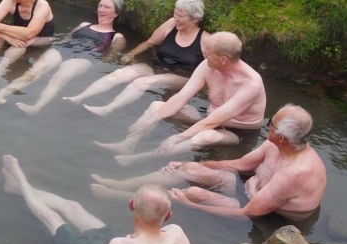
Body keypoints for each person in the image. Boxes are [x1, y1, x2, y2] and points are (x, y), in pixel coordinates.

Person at [2, 155, 209, 244]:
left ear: (130, 205)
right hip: (116, 238)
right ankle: (15, 188)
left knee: (49, 217)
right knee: (73, 207)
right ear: (169, 216)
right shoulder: (177, 234)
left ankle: (20, 179)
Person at [92, 105, 326, 222]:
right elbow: (240, 164)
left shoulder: (295, 172)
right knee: (189, 169)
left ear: (282, 136)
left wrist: (189, 205)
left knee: (193, 193)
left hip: (270, 217)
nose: (268, 125)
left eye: (270, 125)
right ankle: (119, 184)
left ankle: (121, 198)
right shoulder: (275, 145)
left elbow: (248, 213)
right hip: (252, 192)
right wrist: (189, 163)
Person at [96, 32, 266, 166]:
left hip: (238, 133)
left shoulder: (251, 84)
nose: (204, 55)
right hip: (209, 118)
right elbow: (181, 98)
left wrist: (177, 137)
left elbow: (213, 122)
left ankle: (141, 158)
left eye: (208, 53)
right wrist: (151, 120)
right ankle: (128, 144)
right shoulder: (208, 66)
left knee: (204, 136)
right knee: (157, 106)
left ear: (223, 59)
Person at [65, 0, 209, 116]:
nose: (175, 18)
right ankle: (79, 97)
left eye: (180, 16)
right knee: (119, 74)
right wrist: (131, 54)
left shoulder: (205, 40)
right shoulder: (171, 24)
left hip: (182, 77)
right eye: (175, 13)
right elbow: (149, 42)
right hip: (157, 67)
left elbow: (213, 70)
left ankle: (107, 109)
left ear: (195, 19)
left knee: (143, 82)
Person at [0, 0, 126, 113]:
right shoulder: (84, 25)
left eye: (107, 7)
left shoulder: (117, 37)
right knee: (35, 70)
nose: (101, 10)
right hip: (63, 50)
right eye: (100, 6)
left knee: (58, 78)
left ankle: (36, 107)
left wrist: (90, 68)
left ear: (115, 13)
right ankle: (2, 92)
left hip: (83, 58)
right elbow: (66, 39)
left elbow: (108, 59)